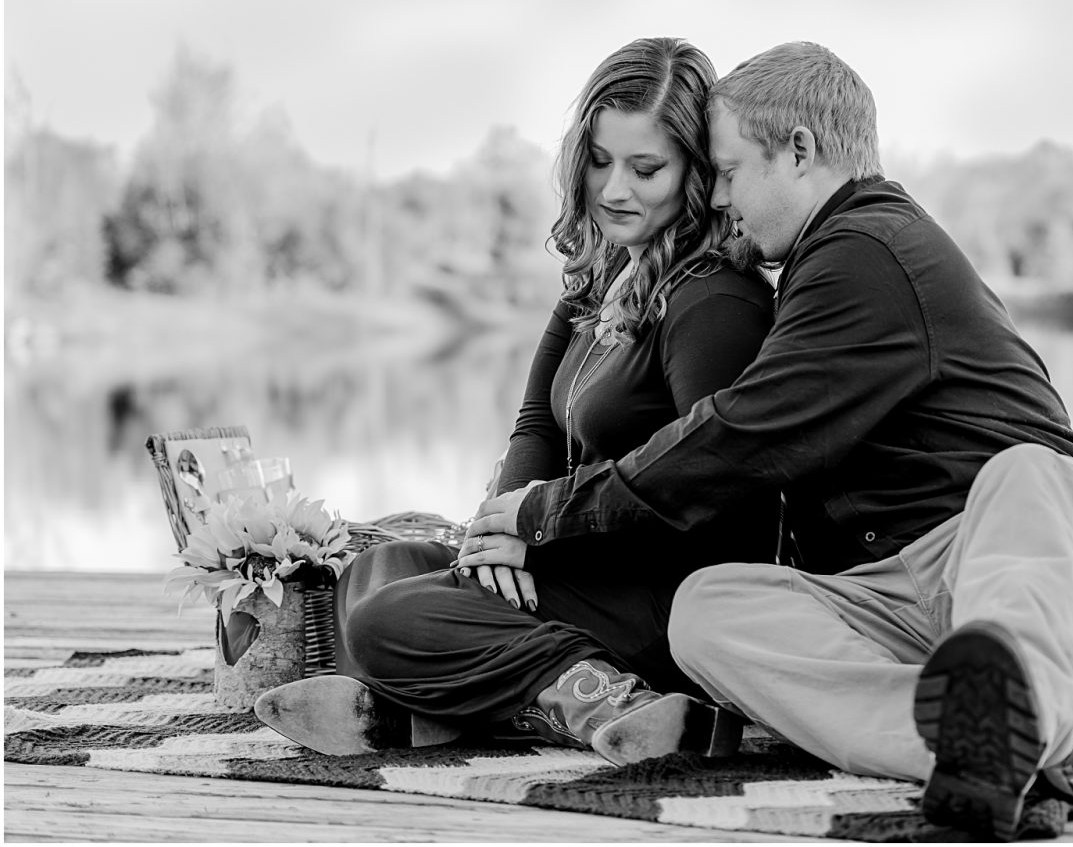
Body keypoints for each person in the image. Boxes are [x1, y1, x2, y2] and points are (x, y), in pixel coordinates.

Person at [464, 41, 1073, 839]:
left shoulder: (869, 250)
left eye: (727, 171)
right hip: (907, 600)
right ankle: (1005, 736)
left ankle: (1024, 705)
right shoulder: (806, 267)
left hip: (1050, 571)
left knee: (1031, 472)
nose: (718, 198)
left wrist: (547, 513)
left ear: (799, 150)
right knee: (709, 608)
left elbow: (738, 436)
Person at [256, 37, 774, 767]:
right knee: (382, 572)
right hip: (568, 556)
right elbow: (535, 425)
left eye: (646, 167)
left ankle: (604, 699)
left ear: (695, 171)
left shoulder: (714, 299)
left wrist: (541, 534)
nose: (614, 189)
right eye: (599, 161)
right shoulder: (598, 283)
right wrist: (495, 535)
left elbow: (716, 491)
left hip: (658, 590)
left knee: (386, 624)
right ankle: (497, 709)